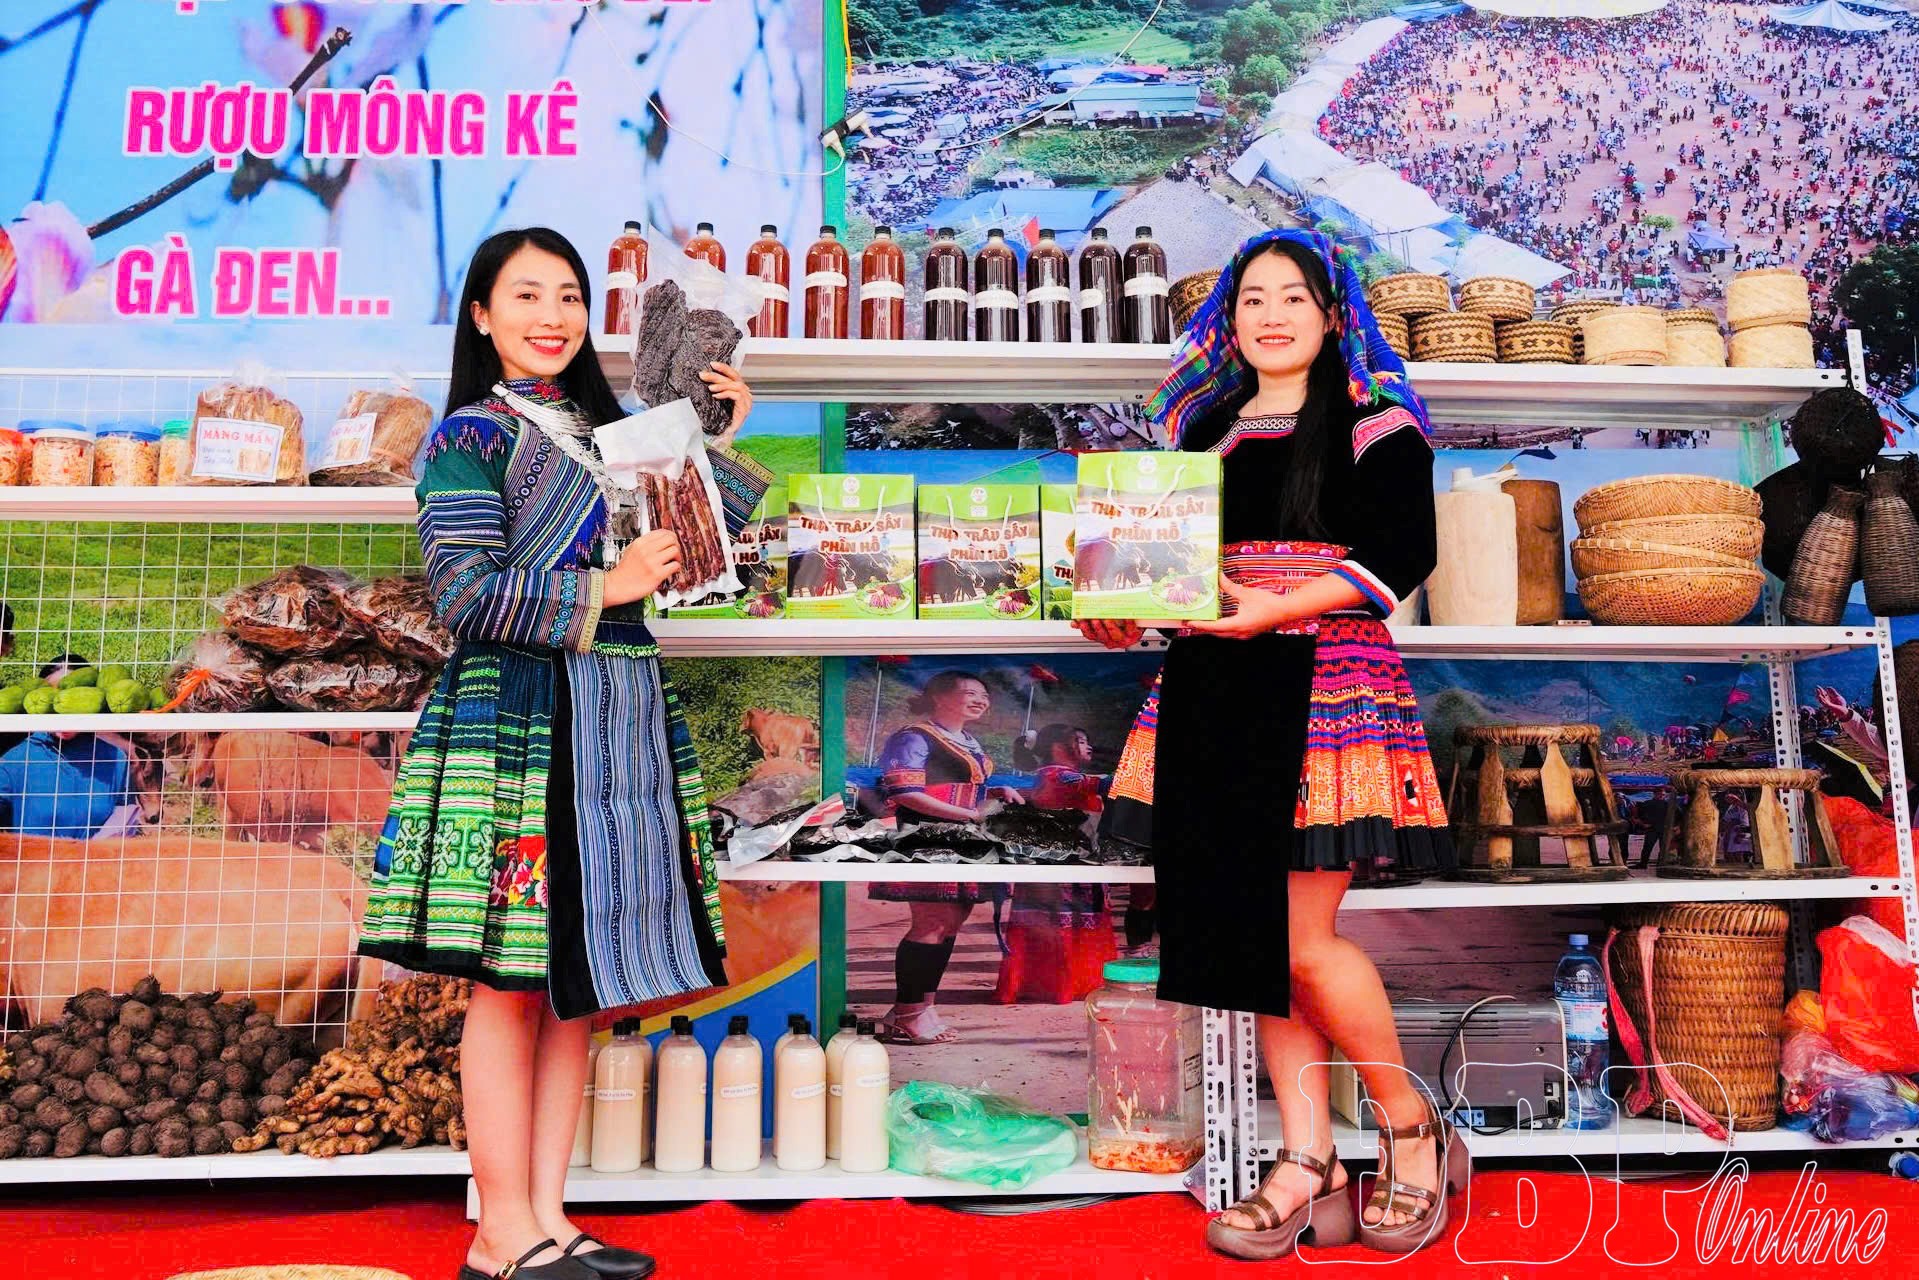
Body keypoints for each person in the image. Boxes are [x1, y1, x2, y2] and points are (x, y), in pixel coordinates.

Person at [357, 227, 753, 1280]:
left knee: (577, 972)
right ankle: (500, 1229)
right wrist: (607, 586)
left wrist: (714, 442)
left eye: (569, 295)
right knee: (506, 979)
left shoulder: (607, 433)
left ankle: (545, 1218)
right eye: (526, 294)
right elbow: (464, 593)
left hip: (614, 720)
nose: (552, 315)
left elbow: (699, 566)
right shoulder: (468, 437)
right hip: (520, 721)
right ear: (481, 315)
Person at [1082, 229, 1465, 1258]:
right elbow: (1163, 563)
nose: (1270, 314)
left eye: (1292, 296)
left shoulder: (1376, 423)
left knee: (1299, 939)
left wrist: (1275, 606)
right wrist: (1119, 606)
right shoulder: (1203, 429)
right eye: (1251, 298)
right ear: (1230, 320)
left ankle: (1409, 1127)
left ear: (1331, 316)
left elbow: (1402, 556)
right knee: (1251, 939)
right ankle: (1307, 1159)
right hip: (1213, 682)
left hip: (1324, 679)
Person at [864, 670, 1020, 1046]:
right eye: (970, 693)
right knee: (931, 922)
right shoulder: (914, 736)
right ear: (938, 696)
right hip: (926, 840)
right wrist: (969, 814)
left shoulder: (968, 741)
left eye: (984, 695)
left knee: (950, 923)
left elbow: (960, 787)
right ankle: (908, 1012)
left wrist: (995, 791)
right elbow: (905, 792)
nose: (980, 700)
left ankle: (921, 1008)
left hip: (962, 841)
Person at [993, 723, 1117, 1004]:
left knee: (1061, 922)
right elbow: (1109, 784)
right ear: (1057, 746)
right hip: (1063, 863)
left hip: (1065, 860)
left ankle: (1059, 983)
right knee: (1063, 924)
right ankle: (1064, 984)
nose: (1088, 746)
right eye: (1080, 740)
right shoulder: (1058, 775)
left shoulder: (1055, 775)